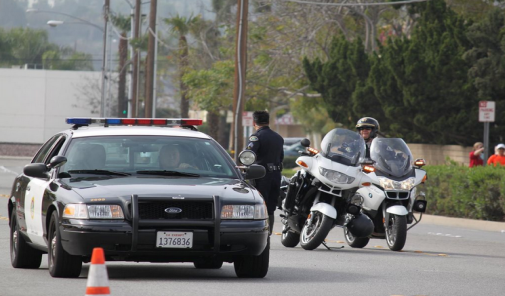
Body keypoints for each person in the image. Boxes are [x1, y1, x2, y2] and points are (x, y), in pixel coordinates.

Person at [246, 110, 284, 235]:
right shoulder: (278, 137)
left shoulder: (256, 137)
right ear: (268, 121)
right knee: (271, 207)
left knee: (259, 204)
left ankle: (257, 233)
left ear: (254, 122)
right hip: (276, 176)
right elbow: (281, 158)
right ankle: (268, 234)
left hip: (261, 176)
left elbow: (248, 156)